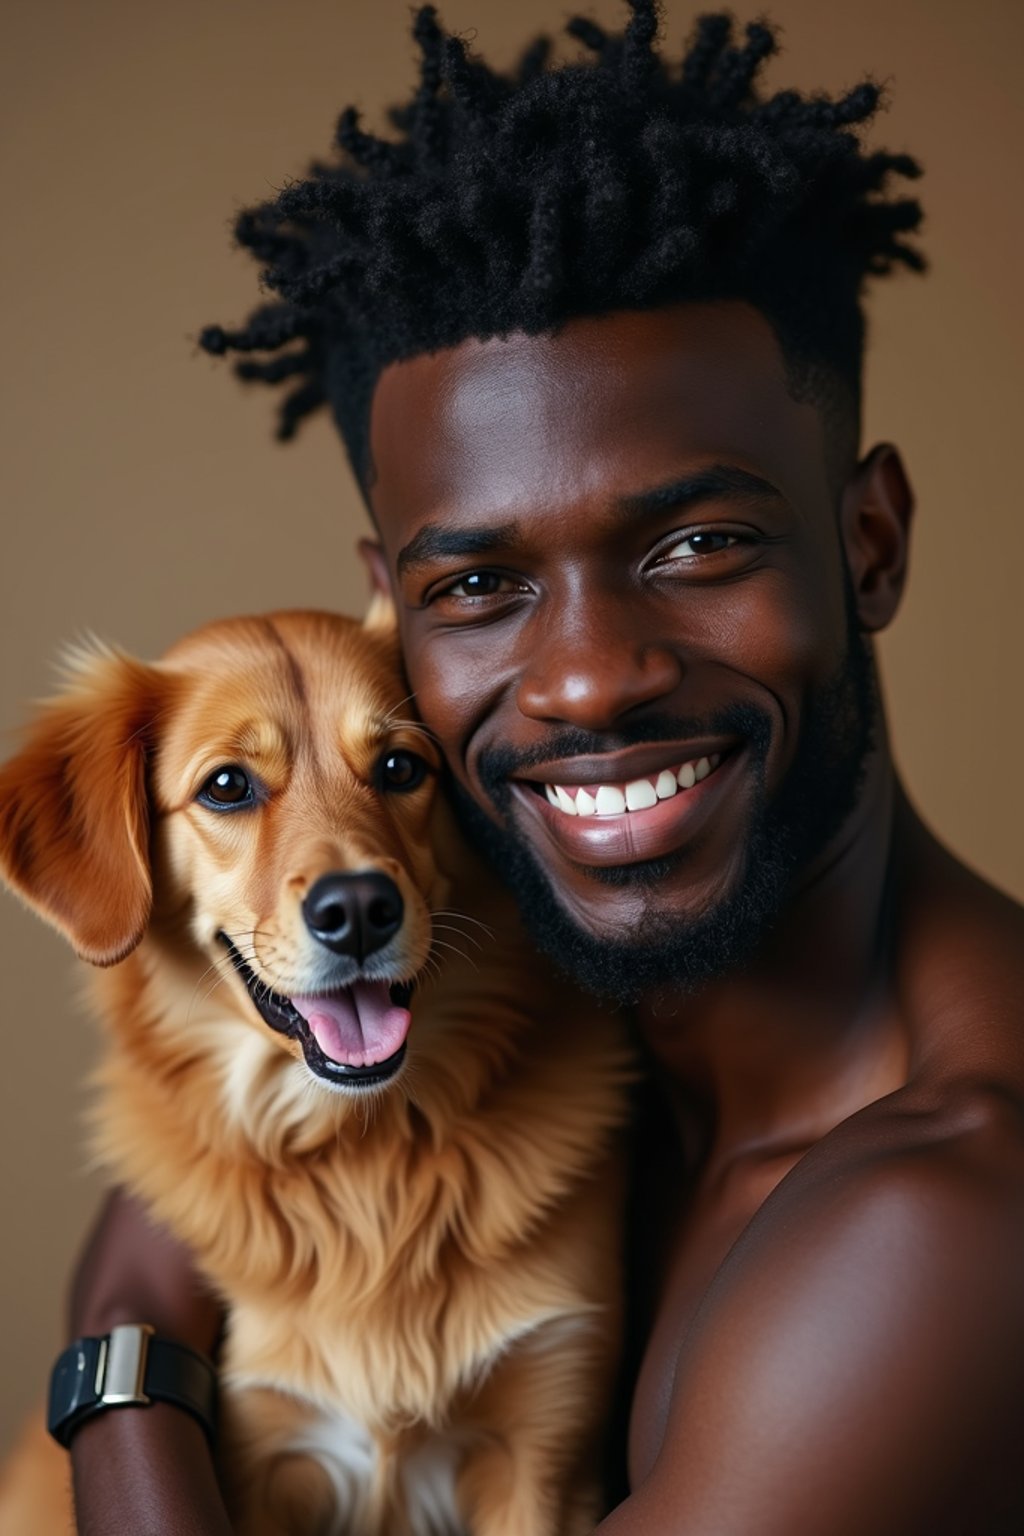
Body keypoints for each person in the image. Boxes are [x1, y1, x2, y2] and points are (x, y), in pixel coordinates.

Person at [64, 4, 1024, 1532]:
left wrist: (116, 1381)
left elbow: (134, 1271)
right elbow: (181, 1181)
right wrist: (137, 1313)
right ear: (392, 608)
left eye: (699, 543)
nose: (587, 678)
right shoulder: (515, 1010)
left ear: (871, 542)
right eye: (478, 588)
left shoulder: (945, 1230)